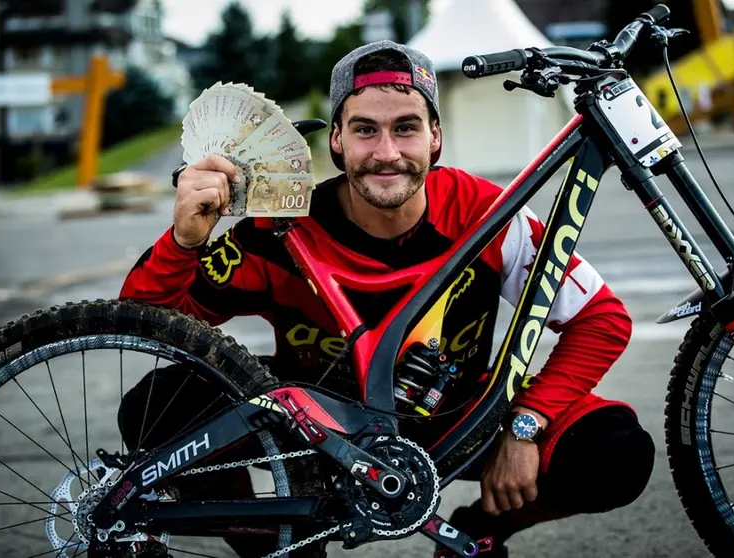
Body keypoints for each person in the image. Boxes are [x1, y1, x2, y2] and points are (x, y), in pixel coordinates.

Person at [118, 40, 655, 557]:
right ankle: (276, 547)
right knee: (156, 407)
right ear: (336, 142)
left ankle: (483, 533)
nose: (386, 152)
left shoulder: (487, 214)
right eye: (364, 130)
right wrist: (184, 241)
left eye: (406, 128)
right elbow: (151, 325)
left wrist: (526, 424)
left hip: (457, 416)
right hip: (317, 428)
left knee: (616, 452)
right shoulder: (277, 228)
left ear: (435, 138)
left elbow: (601, 319)